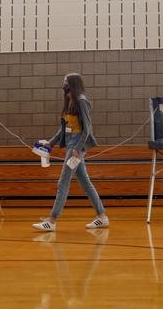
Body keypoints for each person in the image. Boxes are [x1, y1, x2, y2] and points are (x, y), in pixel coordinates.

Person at [32, 73, 109, 231]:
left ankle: (52, 221)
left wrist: (77, 148)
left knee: (63, 182)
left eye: (66, 82)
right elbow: (64, 129)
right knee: (85, 183)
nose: (63, 84)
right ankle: (102, 217)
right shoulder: (69, 101)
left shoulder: (82, 101)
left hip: (76, 146)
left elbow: (87, 129)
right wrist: (50, 143)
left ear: (73, 84)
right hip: (71, 144)